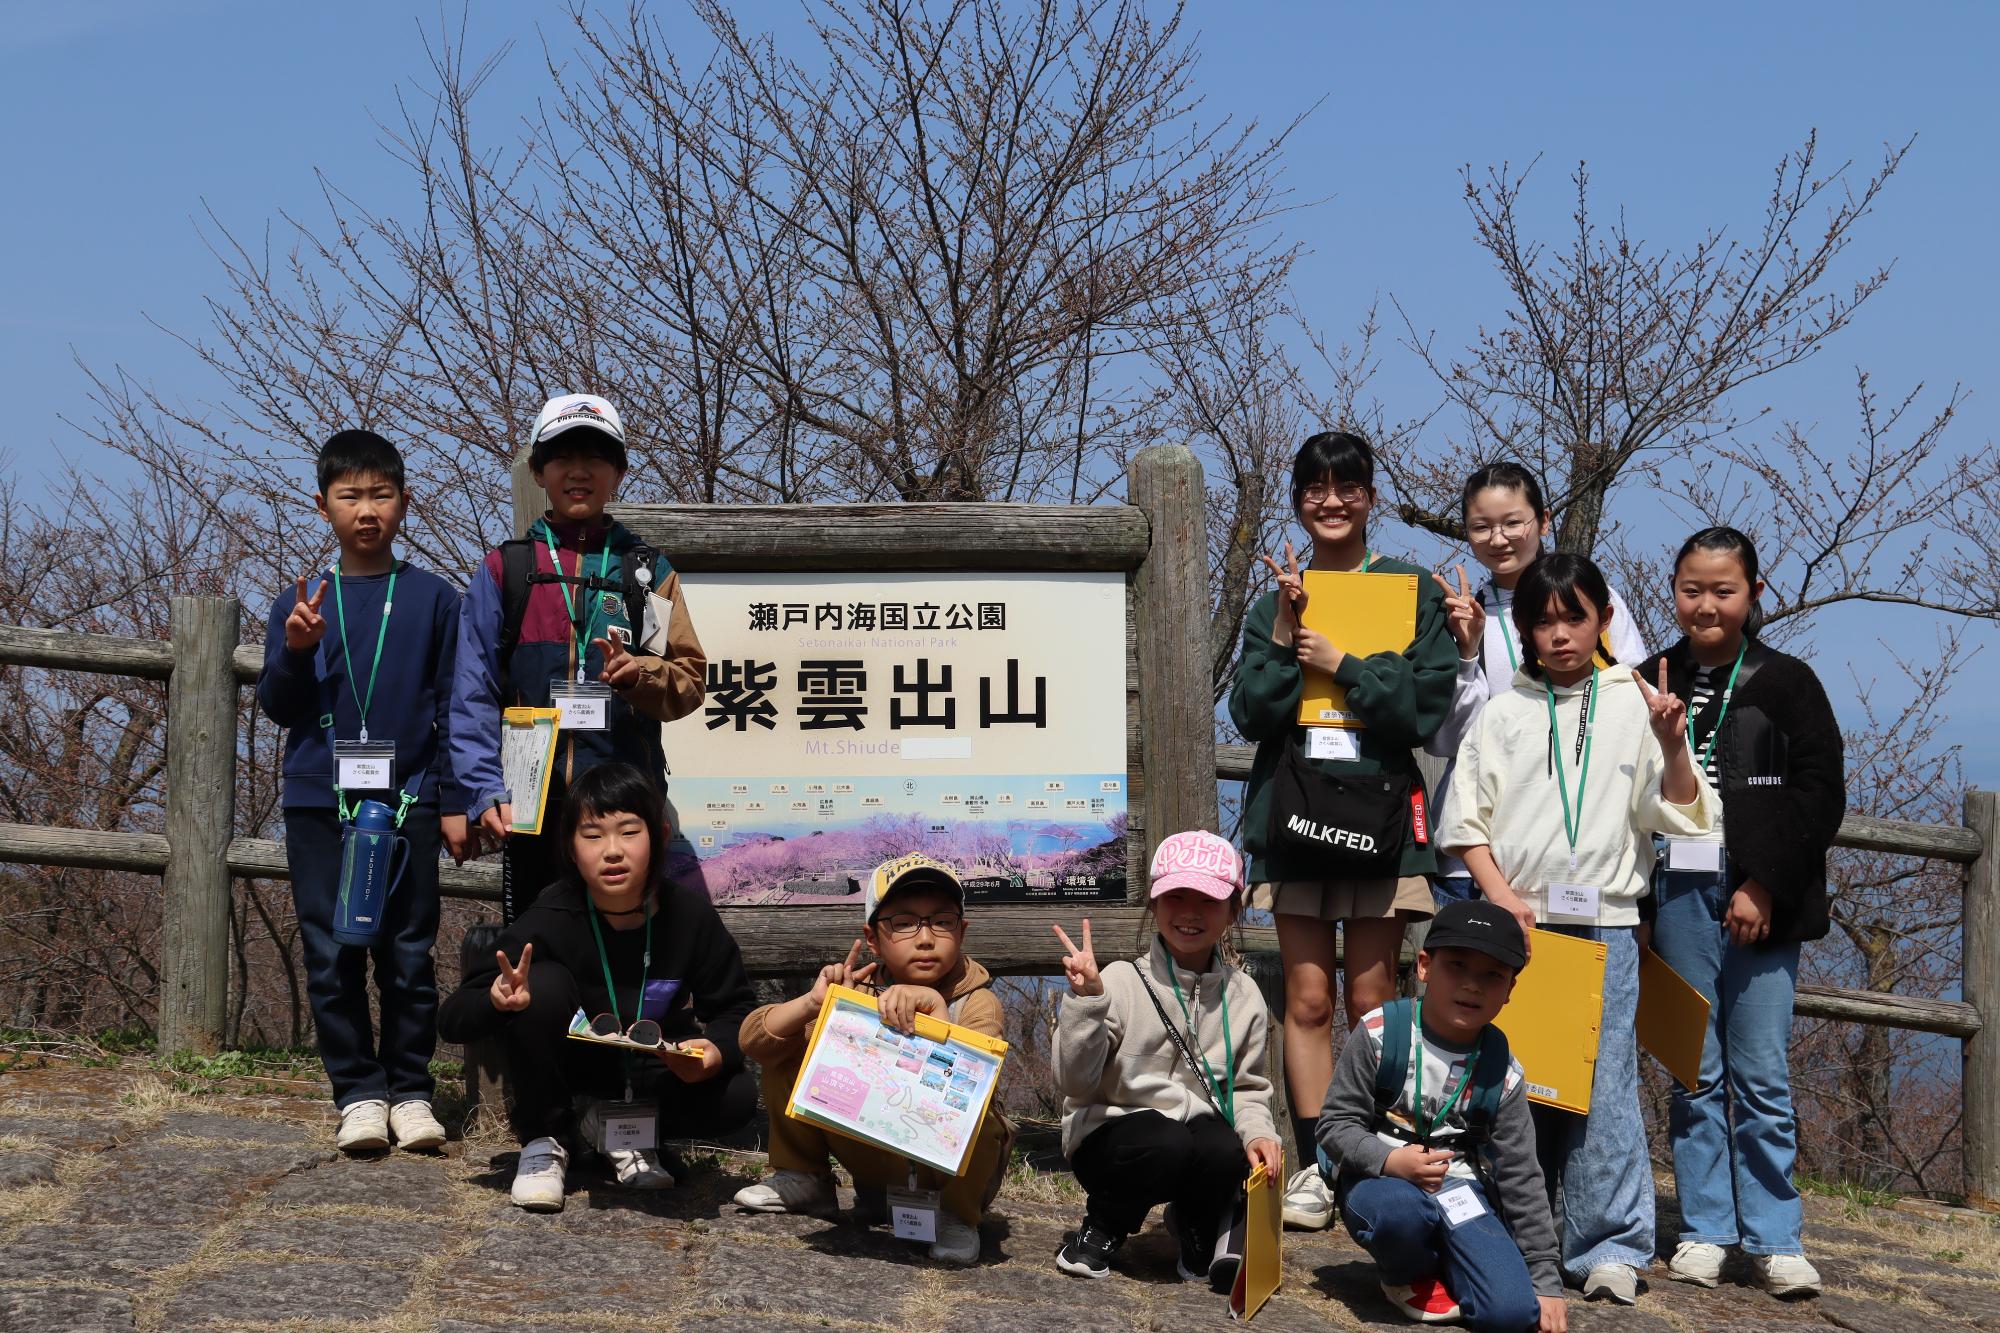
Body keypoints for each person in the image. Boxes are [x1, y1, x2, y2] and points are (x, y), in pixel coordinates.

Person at [1438, 552, 1718, 1304]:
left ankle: (1609, 1245)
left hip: (1609, 923)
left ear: (1603, 619)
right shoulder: (1503, 711)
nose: (1559, 634)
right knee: (1514, 1082)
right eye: (1543, 619)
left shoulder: (1638, 700)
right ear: (1524, 629)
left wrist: (1670, 742)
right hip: (1517, 929)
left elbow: (1687, 812)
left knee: (1606, 1085)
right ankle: (1513, 1229)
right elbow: (1465, 823)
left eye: (1574, 616)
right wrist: (1503, 898)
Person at [1227, 431, 1457, 1231]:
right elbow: (1251, 709)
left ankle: (1367, 1153)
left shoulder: (1409, 590)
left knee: (1370, 995)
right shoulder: (1276, 599)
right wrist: (1293, 636)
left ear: (1370, 496)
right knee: (1308, 995)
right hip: (1297, 812)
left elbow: (1425, 709)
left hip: (1382, 816)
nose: (1331, 501)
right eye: (1316, 488)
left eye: (1347, 486)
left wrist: (1348, 660)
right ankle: (1320, 1163)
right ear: (1298, 499)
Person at [1640, 528, 1843, 1299]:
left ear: (1755, 593)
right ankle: (1707, 1227)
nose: (1707, 604)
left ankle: (1775, 1234)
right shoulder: (1649, 675)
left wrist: (1763, 883)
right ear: (1675, 589)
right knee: (1694, 1069)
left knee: (1760, 1071)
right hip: (1677, 891)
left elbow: (1821, 794)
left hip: (1765, 896)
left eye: (1724, 590)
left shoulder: (1789, 682)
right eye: (1693, 588)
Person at [256, 429, 470, 1155]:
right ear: (323, 506)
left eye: (381, 494)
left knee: (408, 949)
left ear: (406, 502)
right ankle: (357, 1093)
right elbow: (280, 708)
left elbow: (455, 706)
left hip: (408, 798)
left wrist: (448, 799)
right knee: (331, 949)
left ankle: (411, 1090)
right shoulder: (300, 600)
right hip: (321, 799)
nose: (367, 509)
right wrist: (295, 648)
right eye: (350, 496)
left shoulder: (435, 599)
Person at [437, 762, 757, 1211]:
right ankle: (545, 1141)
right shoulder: (551, 917)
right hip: (572, 1074)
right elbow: (453, 1018)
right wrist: (497, 1000)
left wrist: (714, 1052)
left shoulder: (689, 917)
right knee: (540, 984)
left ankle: (624, 1133)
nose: (612, 851)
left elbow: (736, 1008)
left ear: (660, 835)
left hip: (649, 1069)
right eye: (592, 835)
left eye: (629, 832)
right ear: (570, 848)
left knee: (737, 1095)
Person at [449, 393, 707, 923]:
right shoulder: (506, 570)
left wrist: (641, 674)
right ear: (539, 471)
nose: (579, 472)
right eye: (563, 458)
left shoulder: (646, 572)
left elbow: (688, 680)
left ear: (618, 472)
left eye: (595, 457)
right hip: (528, 805)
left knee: (626, 956)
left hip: (624, 806)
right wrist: (482, 791)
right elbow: (471, 693)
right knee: (538, 952)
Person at [731, 854, 1014, 1265]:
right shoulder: (859, 995)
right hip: (875, 1163)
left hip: (947, 1179)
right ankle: (805, 1178)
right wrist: (816, 1005)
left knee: (982, 1117)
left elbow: (977, 1087)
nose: (925, 938)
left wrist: (935, 1010)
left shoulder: (977, 1001)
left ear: (961, 931)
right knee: (793, 1050)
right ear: (874, 939)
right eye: (903, 923)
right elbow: (756, 1041)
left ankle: (958, 1219)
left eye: (942, 921)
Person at [1318, 899, 1566, 1332]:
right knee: (1400, 1214)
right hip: (1382, 1181)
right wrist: (1391, 1161)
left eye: (1493, 975)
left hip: (1461, 1192)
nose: (1472, 986)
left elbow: (1521, 1176)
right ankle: (1406, 1274)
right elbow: (1334, 1124)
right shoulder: (1380, 1033)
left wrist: (1545, 1280)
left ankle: (1457, 1257)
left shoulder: (1502, 1072)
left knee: (1511, 1314)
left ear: (1509, 991)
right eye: (1457, 966)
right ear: (1425, 965)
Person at [1051, 830, 1283, 1290]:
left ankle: (1196, 1224)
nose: (1190, 913)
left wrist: (1259, 1133)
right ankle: (1104, 1225)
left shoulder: (1246, 996)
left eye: (1209, 900)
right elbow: (1074, 1083)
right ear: (1154, 904)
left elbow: (1249, 1090)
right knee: (1166, 1140)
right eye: (1175, 896)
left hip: (1193, 1137)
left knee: (1224, 1147)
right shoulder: (1118, 980)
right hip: (1113, 1138)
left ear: (1234, 910)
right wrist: (1086, 1003)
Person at [1426, 462, 1649, 909]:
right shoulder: (1460, 614)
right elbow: (1449, 740)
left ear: (1543, 521)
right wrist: (1466, 653)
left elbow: (1634, 705)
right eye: (1481, 527)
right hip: (1476, 854)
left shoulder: (1591, 601)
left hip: (1574, 846)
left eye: (1513, 522)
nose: (1498, 538)